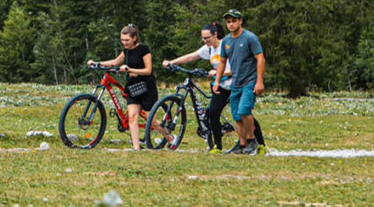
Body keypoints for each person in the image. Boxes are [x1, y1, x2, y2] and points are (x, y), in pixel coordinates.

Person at [163, 23, 266, 154]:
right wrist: (172, 62)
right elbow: (191, 56)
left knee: (245, 113)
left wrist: (219, 73)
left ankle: (260, 143)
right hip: (221, 86)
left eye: (208, 38)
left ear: (215, 34)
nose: (205, 41)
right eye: (203, 38)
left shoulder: (227, 44)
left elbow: (237, 68)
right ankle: (217, 146)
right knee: (213, 113)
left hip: (236, 83)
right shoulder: (209, 48)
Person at [87, 24, 166, 150]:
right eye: (122, 40)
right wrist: (97, 63)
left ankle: (170, 138)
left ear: (134, 38)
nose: (124, 43)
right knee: (132, 117)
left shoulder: (144, 50)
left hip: (147, 87)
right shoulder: (126, 51)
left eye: (127, 40)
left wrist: (130, 69)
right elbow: (114, 62)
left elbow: (148, 70)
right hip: (132, 87)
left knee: (152, 121)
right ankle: (136, 148)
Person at [213, 9, 265, 155]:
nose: (231, 24)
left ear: (240, 21)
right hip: (235, 82)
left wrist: (259, 81)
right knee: (237, 115)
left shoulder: (250, 38)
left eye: (234, 21)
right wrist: (217, 80)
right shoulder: (226, 41)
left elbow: (260, 59)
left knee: (244, 111)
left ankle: (251, 140)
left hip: (250, 81)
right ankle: (242, 145)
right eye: (228, 22)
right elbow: (222, 62)